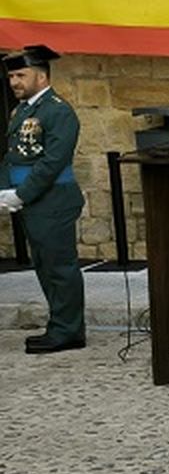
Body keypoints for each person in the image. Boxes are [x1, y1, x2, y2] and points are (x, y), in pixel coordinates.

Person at [2, 44, 85, 354]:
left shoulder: (58, 111)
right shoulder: (22, 111)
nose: (14, 82)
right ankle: (60, 325)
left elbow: (52, 162)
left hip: (53, 200)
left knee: (60, 267)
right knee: (44, 266)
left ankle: (69, 331)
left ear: (41, 76)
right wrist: (5, 190)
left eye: (21, 76)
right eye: (11, 77)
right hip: (34, 201)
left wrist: (21, 194)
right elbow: (12, 156)